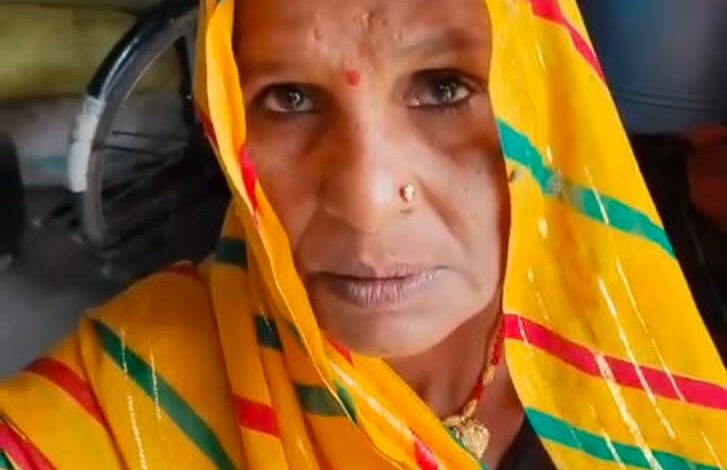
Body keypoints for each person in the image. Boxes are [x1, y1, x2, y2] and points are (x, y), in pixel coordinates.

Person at [1, 0, 725, 468]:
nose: (366, 204)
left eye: (443, 87)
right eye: (288, 98)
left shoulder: (677, 360)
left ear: (548, 105)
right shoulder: (131, 396)